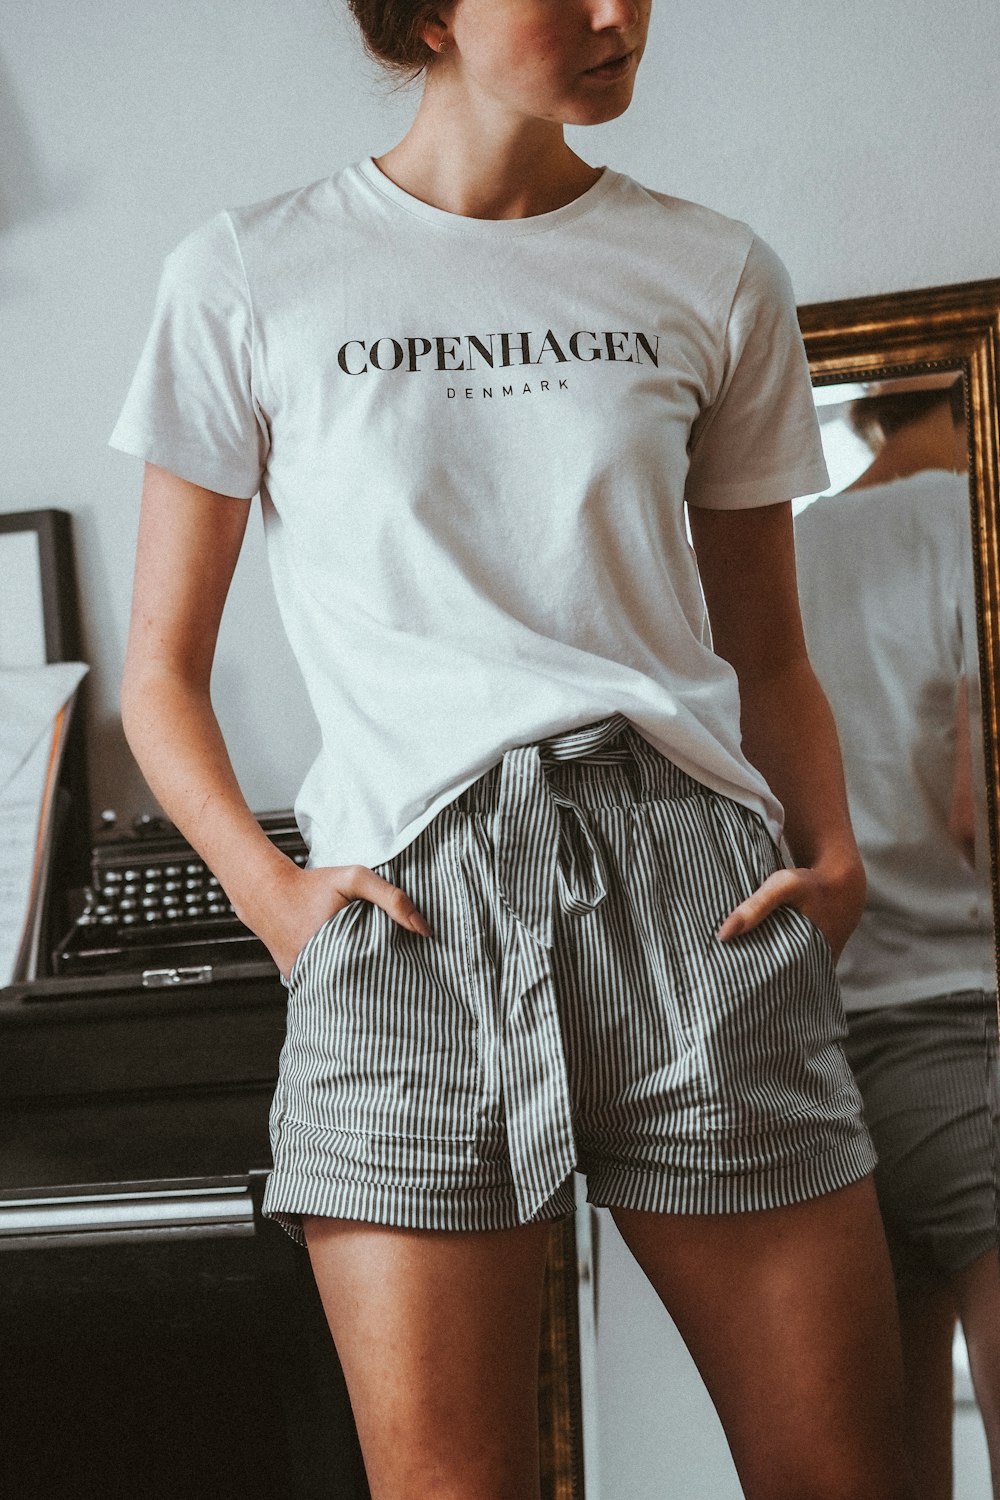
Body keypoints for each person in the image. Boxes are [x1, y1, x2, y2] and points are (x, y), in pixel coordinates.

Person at [111, 3, 915, 1496]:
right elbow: (158, 672)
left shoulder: (713, 269)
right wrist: (274, 900)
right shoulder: (246, 274)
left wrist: (834, 850)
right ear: (427, 11)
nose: (620, 14)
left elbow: (771, 644)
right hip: (412, 917)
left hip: (697, 899)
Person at [795, 386, 1000, 1500]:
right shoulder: (976, 524)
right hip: (970, 1036)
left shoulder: (779, 553)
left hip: (817, 1057)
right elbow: (978, 810)